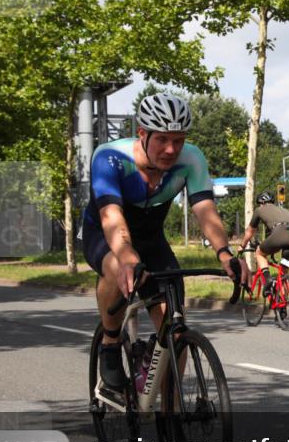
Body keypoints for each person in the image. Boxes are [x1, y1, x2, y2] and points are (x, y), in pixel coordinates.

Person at [83, 92, 237, 391]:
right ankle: (111, 343)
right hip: (104, 234)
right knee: (117, 266)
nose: (171, 149)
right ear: (142, 133)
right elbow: (111, 215)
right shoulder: (110, 157)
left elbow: (205, 210)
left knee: (175, 332)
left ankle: (170, 416)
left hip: (151, 241)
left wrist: (225, 254)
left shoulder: (191, 159)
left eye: (178, 140)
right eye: (163, 139)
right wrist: (127, 257)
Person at [237, 191, 289, 296]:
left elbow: (250, 231)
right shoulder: (285, 210)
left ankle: (267, 280)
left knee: (259, 253)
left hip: (279, 234)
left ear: (261, 202)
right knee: (284, 272)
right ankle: (284, 304)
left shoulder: (259, 210)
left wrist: (242, 245)